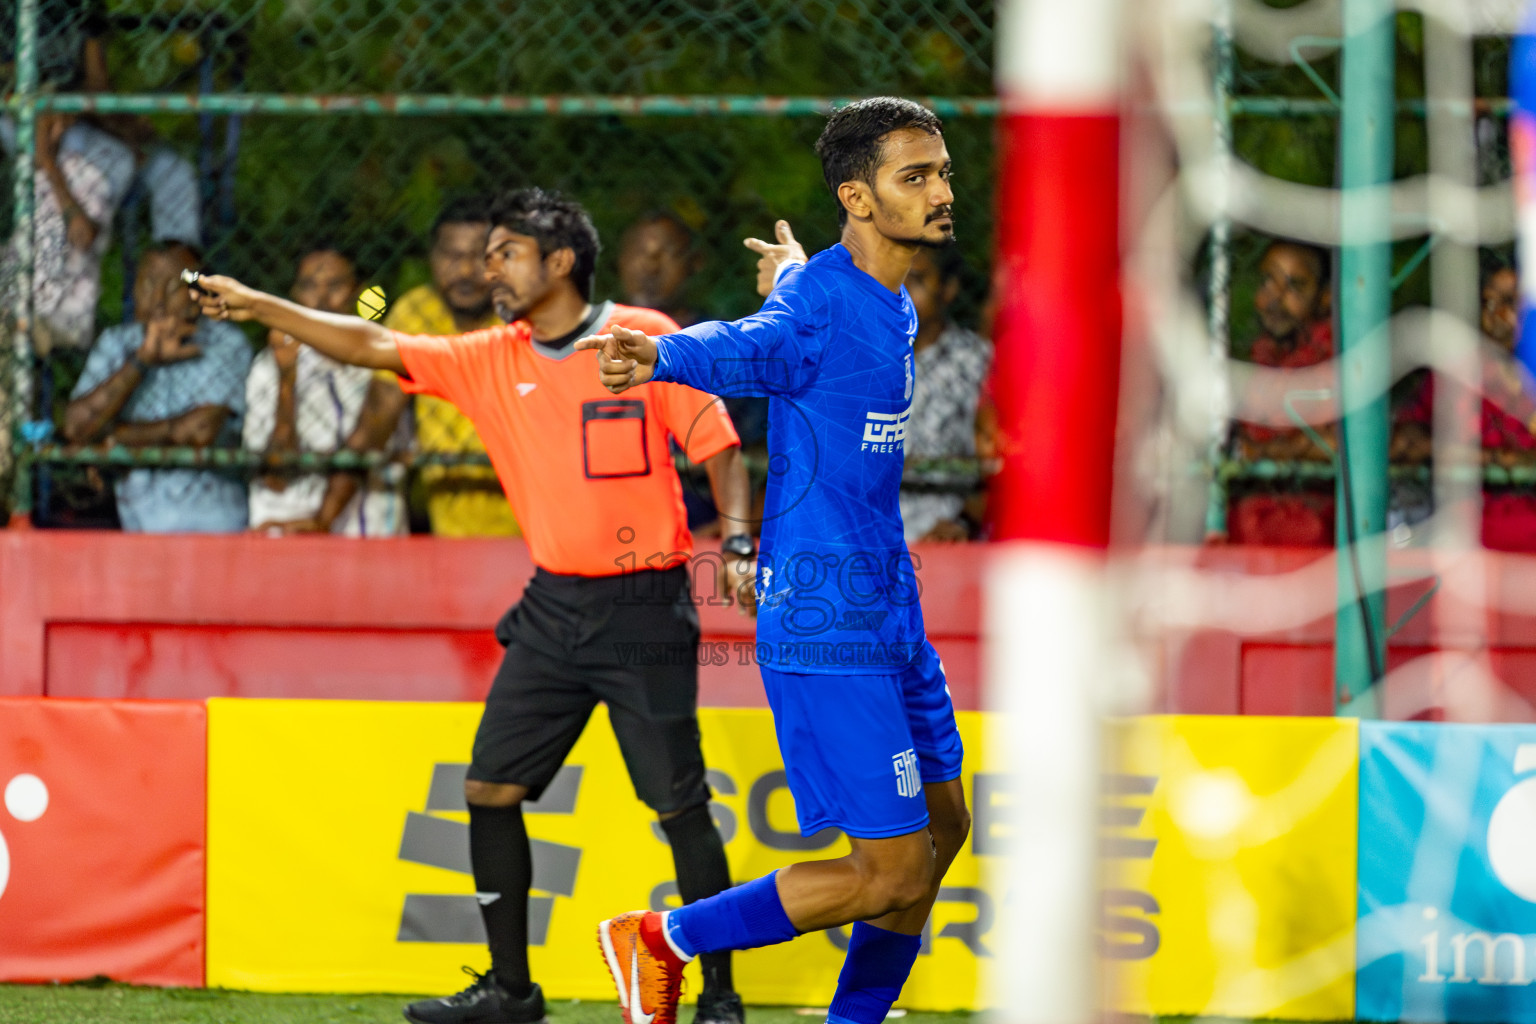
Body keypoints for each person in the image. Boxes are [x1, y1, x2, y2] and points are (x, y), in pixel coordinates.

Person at [188, 187, 753, 1024]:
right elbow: (374, 341)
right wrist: (264, 304)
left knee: (678, 808)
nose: (486, 268)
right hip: (553, 610)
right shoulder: (489, 356)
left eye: (506, 253)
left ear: (560, 262)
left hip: (645, 611)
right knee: (490, 788)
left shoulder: (644, 336)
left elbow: (721, 447)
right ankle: (511, 992)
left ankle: (720, 997)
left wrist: (738, 546)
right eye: (485, 254)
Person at [577, 96, 970, 1024]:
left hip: (890, 606)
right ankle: (663, 939)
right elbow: (756, 345)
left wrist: (795, 268)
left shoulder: (885, 293)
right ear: (858, 197)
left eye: (943, 171)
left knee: (944, 832)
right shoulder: (823, 305)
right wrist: (663, 355)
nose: (942, 190)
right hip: (826, 616)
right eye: (916, 177)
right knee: (892, 870)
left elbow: (808, 306)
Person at [323, 196, 520, 538]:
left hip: (533, 524)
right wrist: (322, 520)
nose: (464, 271)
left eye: (478, 256)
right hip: (449, 530)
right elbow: (375, 421)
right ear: (432, 258)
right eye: (452, 255)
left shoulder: (526, 317)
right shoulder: (417, 312)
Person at [62, 242, 250, 532]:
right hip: (139, 527)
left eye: (174, 287)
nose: (159, 299)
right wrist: (143, 359)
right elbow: (76, 428)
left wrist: (111, 440)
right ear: (134, 290)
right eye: (149, 284)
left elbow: (200, 430)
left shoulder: (225, 344)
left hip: (216, 527)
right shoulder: (118, 343)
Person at [243, 246, 406, 536]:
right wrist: (286, 380)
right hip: (288, 529)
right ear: (294, 295)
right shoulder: (269, 367)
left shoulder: (381, 362)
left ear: (358, 291)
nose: (321, 300)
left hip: (369, 529)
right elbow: (275, 478)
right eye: (309, 287)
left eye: (335, 286)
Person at [1392, 256, 1536, 550]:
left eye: (1512, 303)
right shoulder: (1455, 375)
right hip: (1466, 550)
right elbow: (1407, 439)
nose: (1498, 316)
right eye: (1487, 303)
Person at [1227, 238, 1337, 547]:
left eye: (1295, 286)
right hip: (1248, 541)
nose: (1275, 298)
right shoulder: (1259, 360)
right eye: (1268, 281)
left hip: (1308, 546)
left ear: (1325, 298)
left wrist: (1261, 453)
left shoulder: (1333, 365)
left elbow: (1342, 444)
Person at [899, 245, 991, 543]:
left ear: (948, 289)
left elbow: (994, 471)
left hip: (944, 539)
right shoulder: (857, 362)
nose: (898, 291)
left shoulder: (977, 365)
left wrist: (963, 525)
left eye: (915, 279)